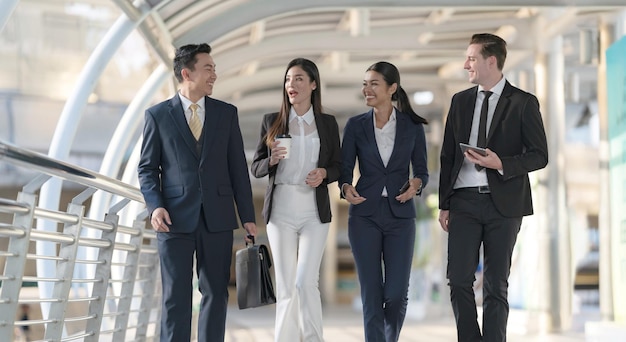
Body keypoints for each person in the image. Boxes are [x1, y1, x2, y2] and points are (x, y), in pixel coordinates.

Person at [137, 43, 257, 342]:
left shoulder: (226, 114)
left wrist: (248, 217)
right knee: (175, 296)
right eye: (208, 68)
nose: (214, 74)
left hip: (217, 217)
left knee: (216, 292)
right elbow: (147, 169)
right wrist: (155, 206)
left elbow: (237, 169)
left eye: (214, 69)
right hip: (173, 219)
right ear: (187, 73)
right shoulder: (157, 116)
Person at [438, 33, 548, 342]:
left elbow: (540, 155)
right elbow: (447, 155)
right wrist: (444, 203)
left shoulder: (523, 103)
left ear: (491, 61)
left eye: (471, 58)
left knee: (496, 284)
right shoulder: (460, 101)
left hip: (505, 205)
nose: (465, 64)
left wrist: (501, 163)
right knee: (458, 280)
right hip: (463, 203)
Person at [251, 58, 341, 342]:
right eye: (288, 79)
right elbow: (256, 167)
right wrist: (272, 160)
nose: (292, 85)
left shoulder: (327, 123)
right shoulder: (272, 121)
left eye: (299, 79)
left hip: (314, 210)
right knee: (287, 285)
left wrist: (325, 173)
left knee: (305, 283)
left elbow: (339, 165)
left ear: (313, 84)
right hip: (281, 210)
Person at [339, 61, 429, 342]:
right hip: (364, 215)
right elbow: (344, 169)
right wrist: (345, 187)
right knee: (371, 293)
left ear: (392, 88)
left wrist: (417, 184)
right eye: (365, 84)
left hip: (400, 216)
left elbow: (422, 171)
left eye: (374, 83)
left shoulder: (412, 127)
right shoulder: (355, 125)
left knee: (396, 294)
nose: (367, 89)